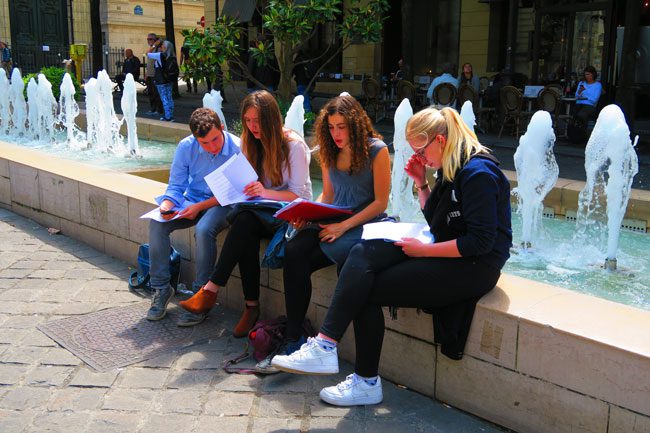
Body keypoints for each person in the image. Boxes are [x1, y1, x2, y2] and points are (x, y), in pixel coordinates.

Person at [272, 106, 512, 407]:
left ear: (440, 139)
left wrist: (424, 251)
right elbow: (440, 222)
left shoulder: (478, 173)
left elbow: (480, 242)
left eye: (422, 152)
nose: (421, 159)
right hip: (450, 254)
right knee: (361, 254)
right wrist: (422, 183)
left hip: (476, 267)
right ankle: (329, 349)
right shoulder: (452, 166)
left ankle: (360, 376)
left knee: (366, 287)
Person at [256, 95, 391, 373]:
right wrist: (307, 214)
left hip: (365, 225)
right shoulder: (329, 150)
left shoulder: (377, 150)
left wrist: (343, 226)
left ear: (355, 124)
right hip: (334, 221)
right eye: (331, 127)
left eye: (342, 127)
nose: (336, 134)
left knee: (322, 252)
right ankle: (294, 337)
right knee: (295, 250)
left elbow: (381, 203)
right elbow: (328, 195)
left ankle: (319, 345)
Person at [178, 90, 312, 336]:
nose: (252, 127)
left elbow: (299, 196)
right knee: (243, 223)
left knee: (244, 223)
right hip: (260, 212)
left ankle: (211, 290)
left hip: (290, 215)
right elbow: (239, 186)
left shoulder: (294, 146)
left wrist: (263, 191)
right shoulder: (250, 142)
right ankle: (249, 306)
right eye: (248, 121)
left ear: (272, 119)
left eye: (258, 121)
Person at [146, 108, 241, 323]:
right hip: (194, 199)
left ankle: (202, 296)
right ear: (195, 138)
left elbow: (235, 192)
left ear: (222, 128)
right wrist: (167, 206)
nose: (213, 147)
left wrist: (199, 207)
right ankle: (161, 288)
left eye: (216, 140)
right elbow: (176, 186)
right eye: (205, 143)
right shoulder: (186, 147)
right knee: (157, 223)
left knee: (204, 229)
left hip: (224, 202)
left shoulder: (238, 148)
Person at [151, 35, 176, 122]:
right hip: (169, 79)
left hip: (161, 80)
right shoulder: (172, 56)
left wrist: (154, 45)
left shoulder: (160, 55)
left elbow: (146, 53)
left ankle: (167, 117)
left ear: (164, 47)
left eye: (162, 45)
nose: (160, 46)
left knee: (164, 98)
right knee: (169, 98)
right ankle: (171, 116)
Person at [144, 33, 164, 117]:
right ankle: (153, 109)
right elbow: (149, 63)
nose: (148, 41)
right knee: (151, 93)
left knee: (156, 94)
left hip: (156, 75)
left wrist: (154, 46)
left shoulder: (158, 49)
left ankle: (159, 110)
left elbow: (147, 53)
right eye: (147, 39)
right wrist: (146, 74)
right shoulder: (152, 49)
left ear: (155, 40)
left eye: (150, 39)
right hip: (150, 75)